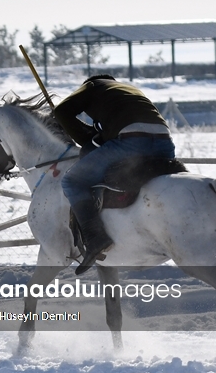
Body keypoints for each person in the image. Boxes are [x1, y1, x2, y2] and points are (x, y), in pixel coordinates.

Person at [53, 74, 175, 275]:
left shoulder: (92, 86)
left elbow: (61, 111)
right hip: (164, 143)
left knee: (72, 181)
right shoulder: (127, 90)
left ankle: (95, 237)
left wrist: (85, 138)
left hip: (133, 142)